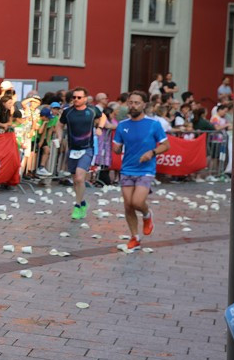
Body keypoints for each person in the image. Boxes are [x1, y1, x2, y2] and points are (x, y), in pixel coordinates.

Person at [112, 91, 169, 249]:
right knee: (128, 205)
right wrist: (116, 148)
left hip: (146, 169)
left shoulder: (153, 124)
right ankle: (134, 237)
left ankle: (147, 214)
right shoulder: (123, 125)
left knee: (137, 202)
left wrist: (152, 152)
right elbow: (117, 148)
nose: (133, 106)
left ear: (144, 105)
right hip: (127, 169)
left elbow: (166, 145)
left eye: (137, 103)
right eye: (131, 102)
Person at [57, 87, 103, 220]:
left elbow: (103, 116)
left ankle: (77, 205)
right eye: (74, 97)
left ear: (85, 98)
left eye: (79, 97)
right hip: (72, 149)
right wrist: (60, 138)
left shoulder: (92, 110)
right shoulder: (68, 112)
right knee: (75, 181)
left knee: (79, 178)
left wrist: (99, 128)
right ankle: (82, 202)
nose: (76, 100)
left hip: (87, 148)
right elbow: (59, 125)